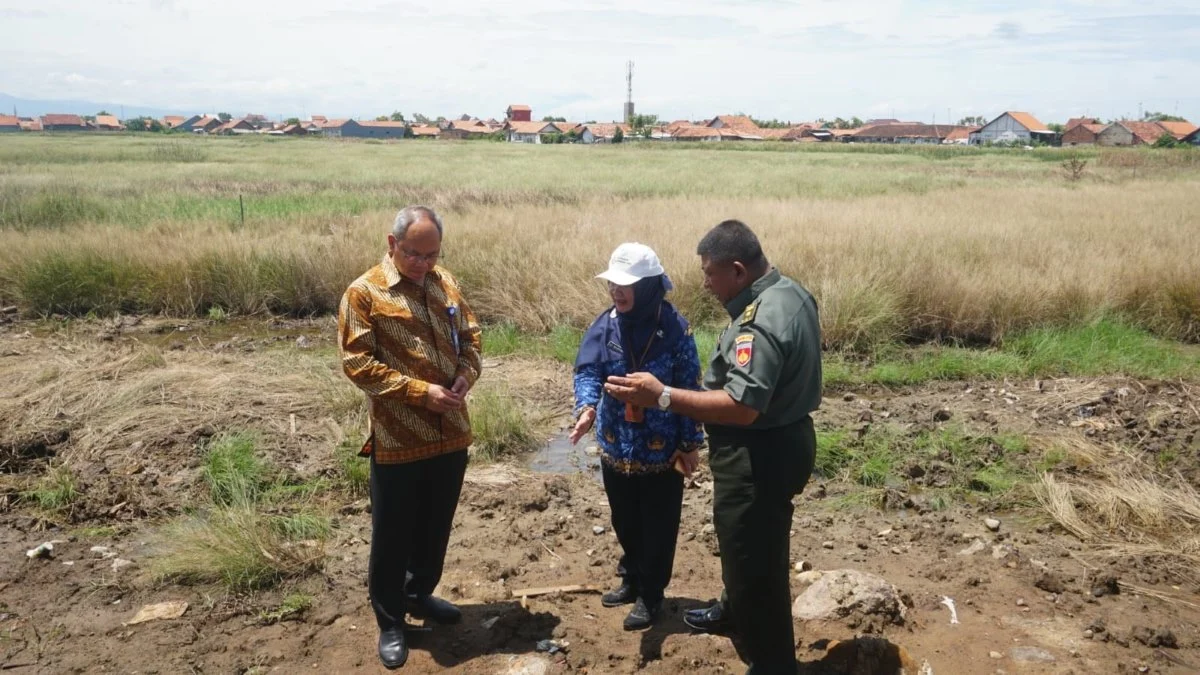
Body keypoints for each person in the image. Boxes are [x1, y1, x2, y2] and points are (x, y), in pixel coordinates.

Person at [605, 220, 822, 674]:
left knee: (755, 560)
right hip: (780, 442)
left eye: (710, 273)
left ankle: (772, 661)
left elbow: (743, 407)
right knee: (743, 544)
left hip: (758, 455)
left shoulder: (757, 323)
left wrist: (661, 395)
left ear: (738, 271)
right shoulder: (791, 293)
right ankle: (732, 610)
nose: (704, 283)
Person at [338, 205, 482, 669]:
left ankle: (420, 594)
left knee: (435, 525)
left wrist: (465, 376)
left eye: (432, 254)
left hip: (452, 432)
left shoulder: (446, 282)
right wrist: (421, 393)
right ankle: (391, 620)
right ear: (392, 243)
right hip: (399, 438)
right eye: (414, 254)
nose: (424, 263)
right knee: (393, 533)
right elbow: (358, 365)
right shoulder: (364, 294)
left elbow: (472, 337)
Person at [569, 242, 705, 631]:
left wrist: (689, 444)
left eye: (625, 284)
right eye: (612, 282)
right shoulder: (606, 324)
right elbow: (588, 371)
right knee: (624, 518)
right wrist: (587, 408)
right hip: (616, 444)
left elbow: (689, 388)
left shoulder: (676, 330)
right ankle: (631, 577)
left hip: (661, 451)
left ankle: (652, 594)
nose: (616, 290)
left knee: (658, 526)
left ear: (647, 286)